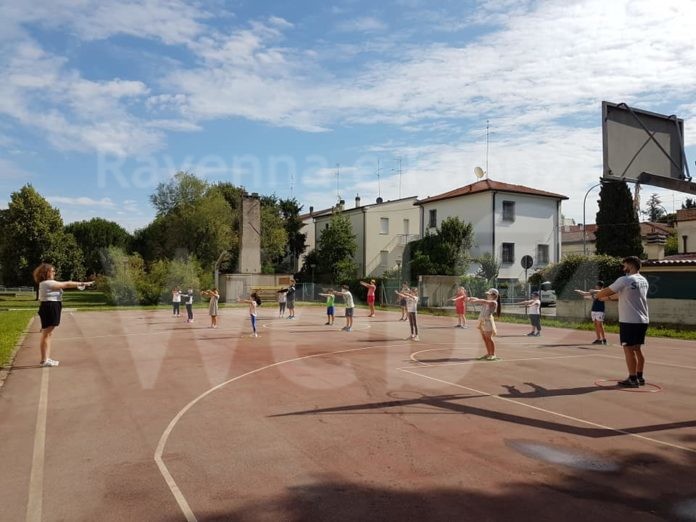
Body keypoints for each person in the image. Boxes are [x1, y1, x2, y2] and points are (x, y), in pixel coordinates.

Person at [594, 256, 649, 387]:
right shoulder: (643, 280)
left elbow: (606, 291)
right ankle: (640, 377)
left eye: (624, 266)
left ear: (630, 266)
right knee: (637, 348)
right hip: (643, 319)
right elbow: (622, 295)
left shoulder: (625, 279)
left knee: (628, 349)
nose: (623, 268)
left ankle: (632, 378)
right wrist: (606, 298)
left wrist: (595, 295)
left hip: (629, 320)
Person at [32, 263, 94, 367]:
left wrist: (80, 284)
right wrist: (84, 283)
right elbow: (67, 284)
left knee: (48, 334)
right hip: (50, 307)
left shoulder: (47, 283)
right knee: (47, 334)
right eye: (52, 271)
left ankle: (46, 358)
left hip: (51, 306)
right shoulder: (47, 283)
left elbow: (66, 284)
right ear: (46, 273)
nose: (54, 273)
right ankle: (44, 360)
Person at [467, 288, 501, 361]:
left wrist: (475, 301)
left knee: (489, 338)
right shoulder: (487, 302)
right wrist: (470, 298)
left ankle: (493, 354)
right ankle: (488, 353)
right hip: (483, 322)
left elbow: (483, 301)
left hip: (488, 322)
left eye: (489, 294)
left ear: (494, 295)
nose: (487, 295)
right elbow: (479, 299)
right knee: (485, 339)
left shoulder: (494, 302)